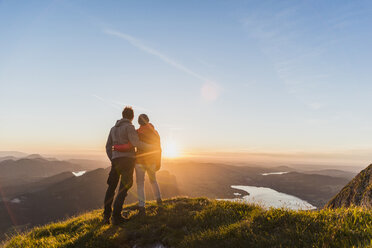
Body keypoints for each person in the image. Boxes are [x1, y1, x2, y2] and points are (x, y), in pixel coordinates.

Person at [103, 107, 151, 225]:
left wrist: (113, 158)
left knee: (111, 187)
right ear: (132, 117)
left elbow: (107, 147)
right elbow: (136, 143)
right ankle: (116, 217)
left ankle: (106, 216)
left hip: (116, 161)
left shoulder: (113, 129)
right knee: (124, 187)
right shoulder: (130, 127)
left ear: (123, 115)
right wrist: (150, 147)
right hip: (127, 160)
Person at [113, 114, 162, 215]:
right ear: (148, 120)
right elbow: (159, 149)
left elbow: (131, 144)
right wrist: (158, 162)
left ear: (139, 122)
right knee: (153, 181)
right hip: (152, 161)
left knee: (140, 184)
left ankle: (142, 207)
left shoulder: (136, 133)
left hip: (139, 162)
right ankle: (159, 201)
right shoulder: (155, 133)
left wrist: (117, 147)